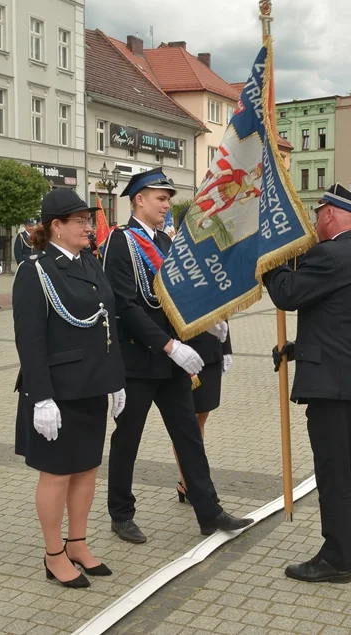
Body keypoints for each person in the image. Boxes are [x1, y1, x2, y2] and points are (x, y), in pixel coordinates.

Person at [103, 167, 252, 543]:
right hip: (139, 361)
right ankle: (121, 514)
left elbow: (181, 298)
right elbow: (126, 306)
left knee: (188, 435)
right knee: (128, 440)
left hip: (172, 362)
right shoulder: (120, 242)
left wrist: (209, 324)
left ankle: (209, 511)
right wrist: (169, 345)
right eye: (160, 198)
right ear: (139, 199)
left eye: (168, 199)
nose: (167, 205)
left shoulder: (168, 244)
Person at [263, 184, 351, 584]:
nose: (315, 222)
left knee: (335, 477)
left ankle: (336, 560)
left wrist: (268, 257)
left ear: (332, 214)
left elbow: (286, 293)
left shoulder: (331, 254)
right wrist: (301, 348)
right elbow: (345, 321)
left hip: (335, 390)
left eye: (319, 214)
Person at [13, 188, 126, 589]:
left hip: (92, 386)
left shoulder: (91, 264)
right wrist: (41, 397)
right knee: (57, 474)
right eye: (78, 219)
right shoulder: (36, 271)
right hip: (56, 393)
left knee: (87, 470)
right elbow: (30, 340)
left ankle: (77, 543)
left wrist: (116, 382)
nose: (87, 225)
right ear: (55, 227)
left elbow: (107, 323)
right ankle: (53, 553)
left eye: (87, 218)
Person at [175, 321, 231, 503]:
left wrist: (226, 347)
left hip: (211, 352)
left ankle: (194, 480)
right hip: (184, 353)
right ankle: (188, 483)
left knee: (201, 419)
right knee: (185, 424)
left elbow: (221, 306)